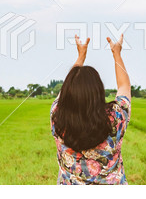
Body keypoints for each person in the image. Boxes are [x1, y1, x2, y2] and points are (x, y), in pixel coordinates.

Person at [50, 34, 131, 185]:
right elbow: (124, 87)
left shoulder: (57, 117)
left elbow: (64, 93)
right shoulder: (115, 117)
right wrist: (117, 54)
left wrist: (81, 56)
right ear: (99, 92)